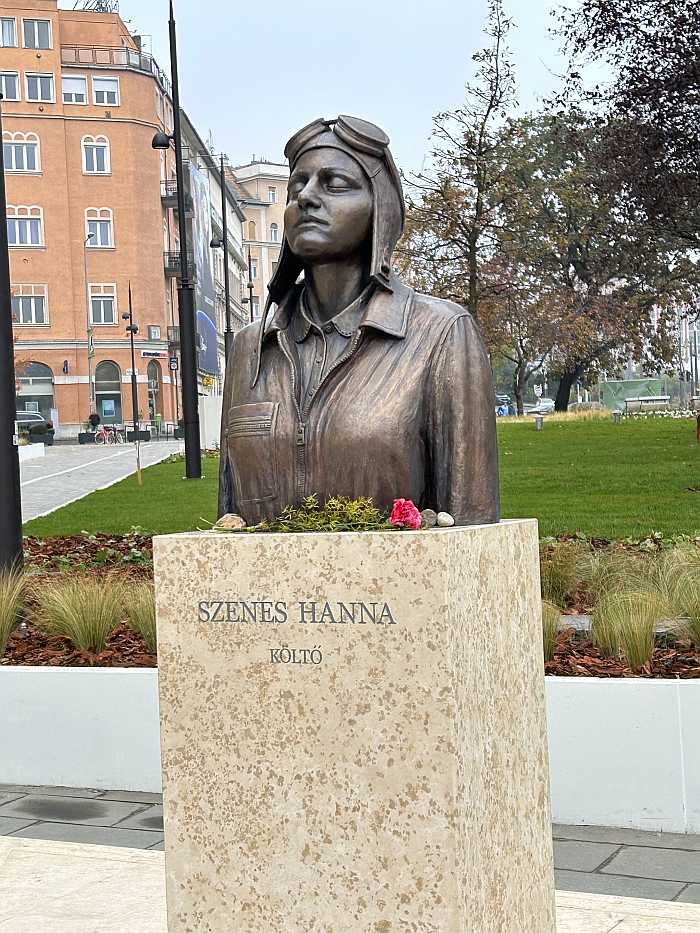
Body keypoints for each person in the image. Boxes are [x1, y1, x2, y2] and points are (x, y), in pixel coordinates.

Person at [218, 115, 499, 526]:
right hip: (268, 592)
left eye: (334, 184)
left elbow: (472, 528)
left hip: (399, 587)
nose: (307, 198)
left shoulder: (440, 334)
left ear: (379, 208)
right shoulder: (250, 348)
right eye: (298, 186)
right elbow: (227, 526)